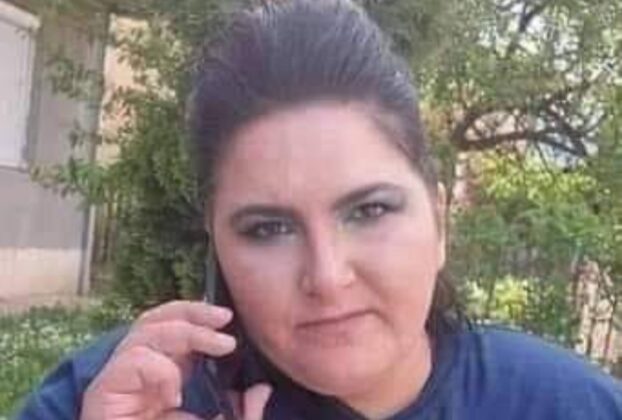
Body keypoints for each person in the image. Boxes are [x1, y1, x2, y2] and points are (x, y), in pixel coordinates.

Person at [17, 0, 622, 419]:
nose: (328, 277)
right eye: (268, 228)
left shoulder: (572, 406)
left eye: (370, 211)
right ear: (215, 243)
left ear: (439, 220)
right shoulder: (110, 399)